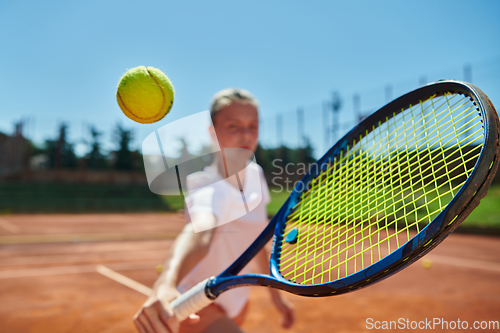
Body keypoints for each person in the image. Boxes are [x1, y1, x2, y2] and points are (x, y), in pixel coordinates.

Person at [133, 88, 295, 333]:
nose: (246, 134)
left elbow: (257, 240)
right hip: (197, 303)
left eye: (253, 126)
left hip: (236, 300)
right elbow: (199, 233)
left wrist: (276, 297)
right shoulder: (206, 187)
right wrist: (166, 283)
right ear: (213, 132)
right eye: (233, 126)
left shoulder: (256, 175)